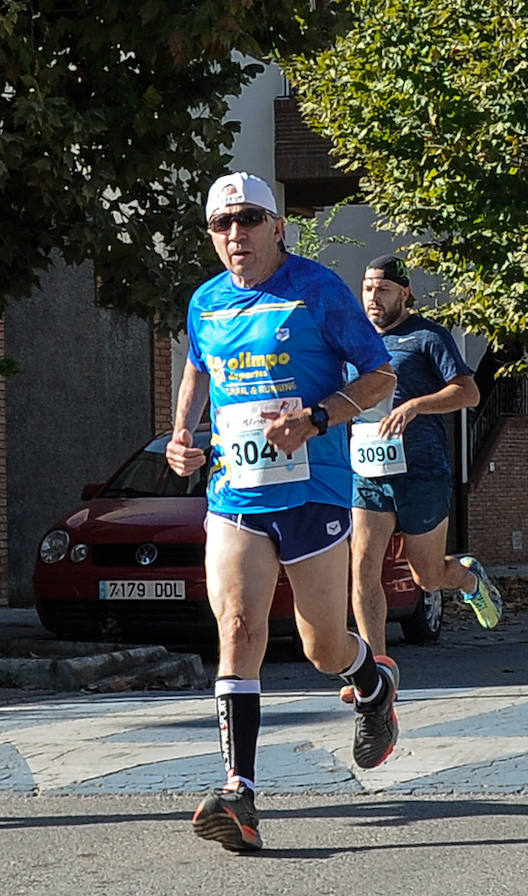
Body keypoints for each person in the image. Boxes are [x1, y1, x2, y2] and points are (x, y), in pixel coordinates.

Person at [166, 173, 400, 852]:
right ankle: (238, 791)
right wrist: (183, 432)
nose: (235, 235)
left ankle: (371, 685)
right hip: (235, 493)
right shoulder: (205, 301)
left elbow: (381, 376)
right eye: (221, 224)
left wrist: (319, 417)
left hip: (313, 490)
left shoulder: (318, 289)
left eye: (248, 220)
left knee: (322, 647)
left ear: (277, 226)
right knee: (237, 628)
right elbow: (198, 370)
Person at [348, 255, 502, 673]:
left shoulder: (427, 337)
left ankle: (468, 578)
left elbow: (468, 393)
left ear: (404, 293)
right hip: (369, 472)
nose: (373, 297)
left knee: (427, 578)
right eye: (367, 288)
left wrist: (416, 405)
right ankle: (375, 671)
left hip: (423, 472)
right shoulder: (354, 338)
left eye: (382, 289)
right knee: (362, 567)